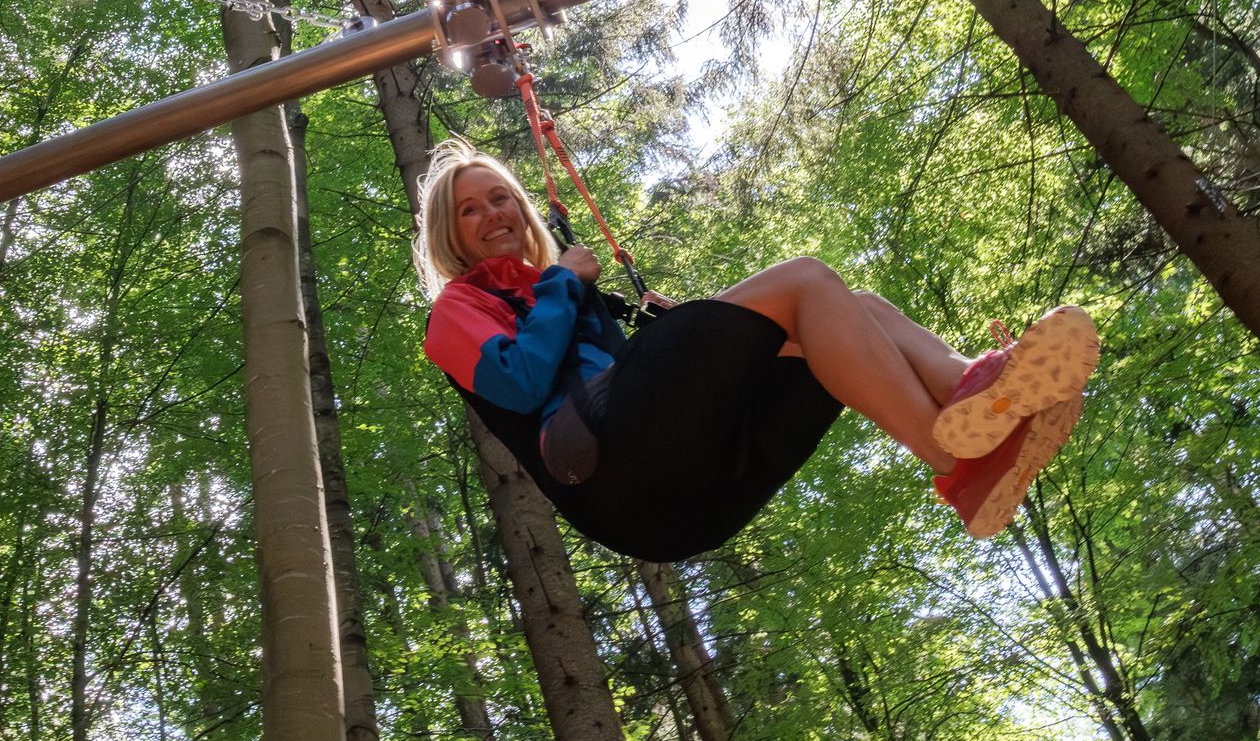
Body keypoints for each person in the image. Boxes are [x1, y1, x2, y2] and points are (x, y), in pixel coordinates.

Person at [415, 138, 1098, 562]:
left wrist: (700, 344)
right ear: (450, 233)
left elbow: (619, 380)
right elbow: (521, 380)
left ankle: (970, 393)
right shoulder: (457, 310)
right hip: (611, 475)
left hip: (686, 501)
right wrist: (566, 281)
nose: (493, 214)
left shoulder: (558, 295)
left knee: (851, 313)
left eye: (501, 197)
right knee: (804, 279)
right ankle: (953, 455)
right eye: (469, 209)